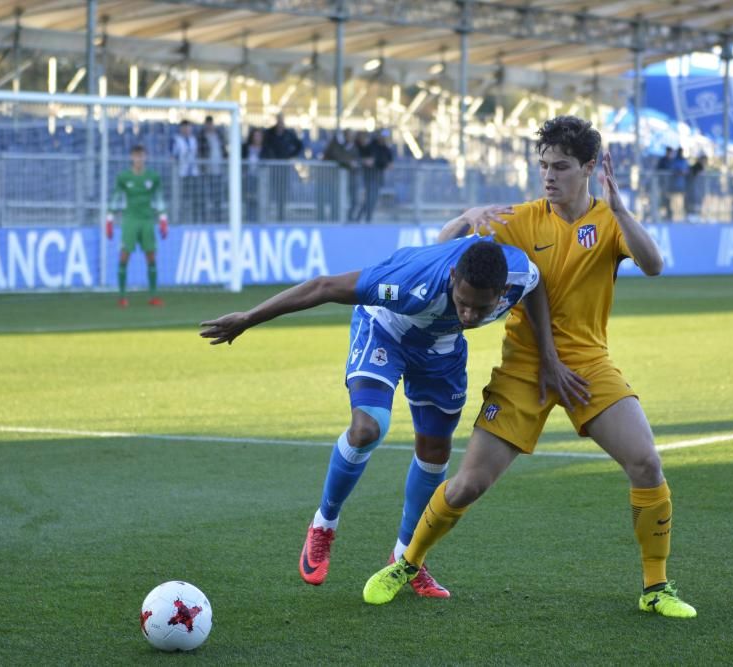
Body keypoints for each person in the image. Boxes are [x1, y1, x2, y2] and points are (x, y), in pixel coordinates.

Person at [362, 115, 697, 619]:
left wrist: (622, 209)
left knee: (646, 463)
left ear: (588, 168)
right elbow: (443, 246)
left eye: (560, 166)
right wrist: (467, 215)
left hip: (587, 365)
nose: (548, 175)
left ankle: (656, 587)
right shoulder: (517, 219)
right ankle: (406, 563)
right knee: (467, 485)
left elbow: (653, 264)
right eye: (543, 165)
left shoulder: (607, 223)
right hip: (524, 368)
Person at [200, 236, 557, 599]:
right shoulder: (408, 285)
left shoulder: (519, 274)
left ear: (501, 292)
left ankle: (406, 559)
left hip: (441, 350)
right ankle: (324, 523)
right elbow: (324, 286)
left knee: (435, 450)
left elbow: (536, 284)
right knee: (368, 427)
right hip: (387, 331)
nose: (469, 315)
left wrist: (548, 353)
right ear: (452, 277)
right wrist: (248, 318)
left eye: (480, 309)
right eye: (463, 303)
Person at [106, 144, 167, 307]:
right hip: (130, 220)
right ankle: (122, 296)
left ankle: (153, 296)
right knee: (124, 255)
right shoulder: (124, 177)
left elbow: (159, 196)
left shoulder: (152, 177)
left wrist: (163, 218)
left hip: (147, 220)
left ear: (145, 157)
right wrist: (109, 218)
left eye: (141, 156)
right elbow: (116, 196)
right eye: (136, 156)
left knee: (151, 256)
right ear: (131, 158)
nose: (138, 159)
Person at [261, 113, 304, 221]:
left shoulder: (289, 134)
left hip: (284, 167)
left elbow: (299, 145)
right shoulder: (269, 133)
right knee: (271, 191)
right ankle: (268, 214)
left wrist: (290, 155)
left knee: (283, 192)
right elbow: (265, 147)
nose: (280, 123)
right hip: (272, 168)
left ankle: (281, 215)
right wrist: (270, 158)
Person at [351, 131, 394, 223]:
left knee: (373, 199)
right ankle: (364, 218)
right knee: (369, 198)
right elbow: (365, 158)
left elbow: (387, 161)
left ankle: (364, 218)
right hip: (369, 176)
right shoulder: (371, 146)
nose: (383, 139)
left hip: (378, 177)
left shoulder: (386, 148)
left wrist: (382, 163)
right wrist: (366, 161)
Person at [198, 116, 227, 223]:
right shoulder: (201, 136)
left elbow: (224, 150)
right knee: (205, 197)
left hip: (218, 171)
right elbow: (199, 152)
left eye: (211, 123)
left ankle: (218, 218)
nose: (209, 126)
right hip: (206, 171)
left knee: (218, 197)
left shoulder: (219, 135)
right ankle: (205, 219)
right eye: (208, 124)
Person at [171, 120, 200, 223]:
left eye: (189, 127)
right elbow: (173, 155)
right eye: (185, 127)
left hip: (193, 173)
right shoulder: (176, 139)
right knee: (182, 199)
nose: (187, 130)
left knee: (194, 198)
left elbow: (196, 154)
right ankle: (180, 220)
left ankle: (195, 220)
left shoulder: (193, 140)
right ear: (181, 128)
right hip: (181, 173)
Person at [242, 127, 265, 223]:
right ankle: (249, 218)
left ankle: (260, 219)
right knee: (249, 198)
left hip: (261, 179)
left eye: (259, 136)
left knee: (260, 199)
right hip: (250, 177)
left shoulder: (265, 149)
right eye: (255, 136)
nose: (257, 138)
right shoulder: (246, 148)